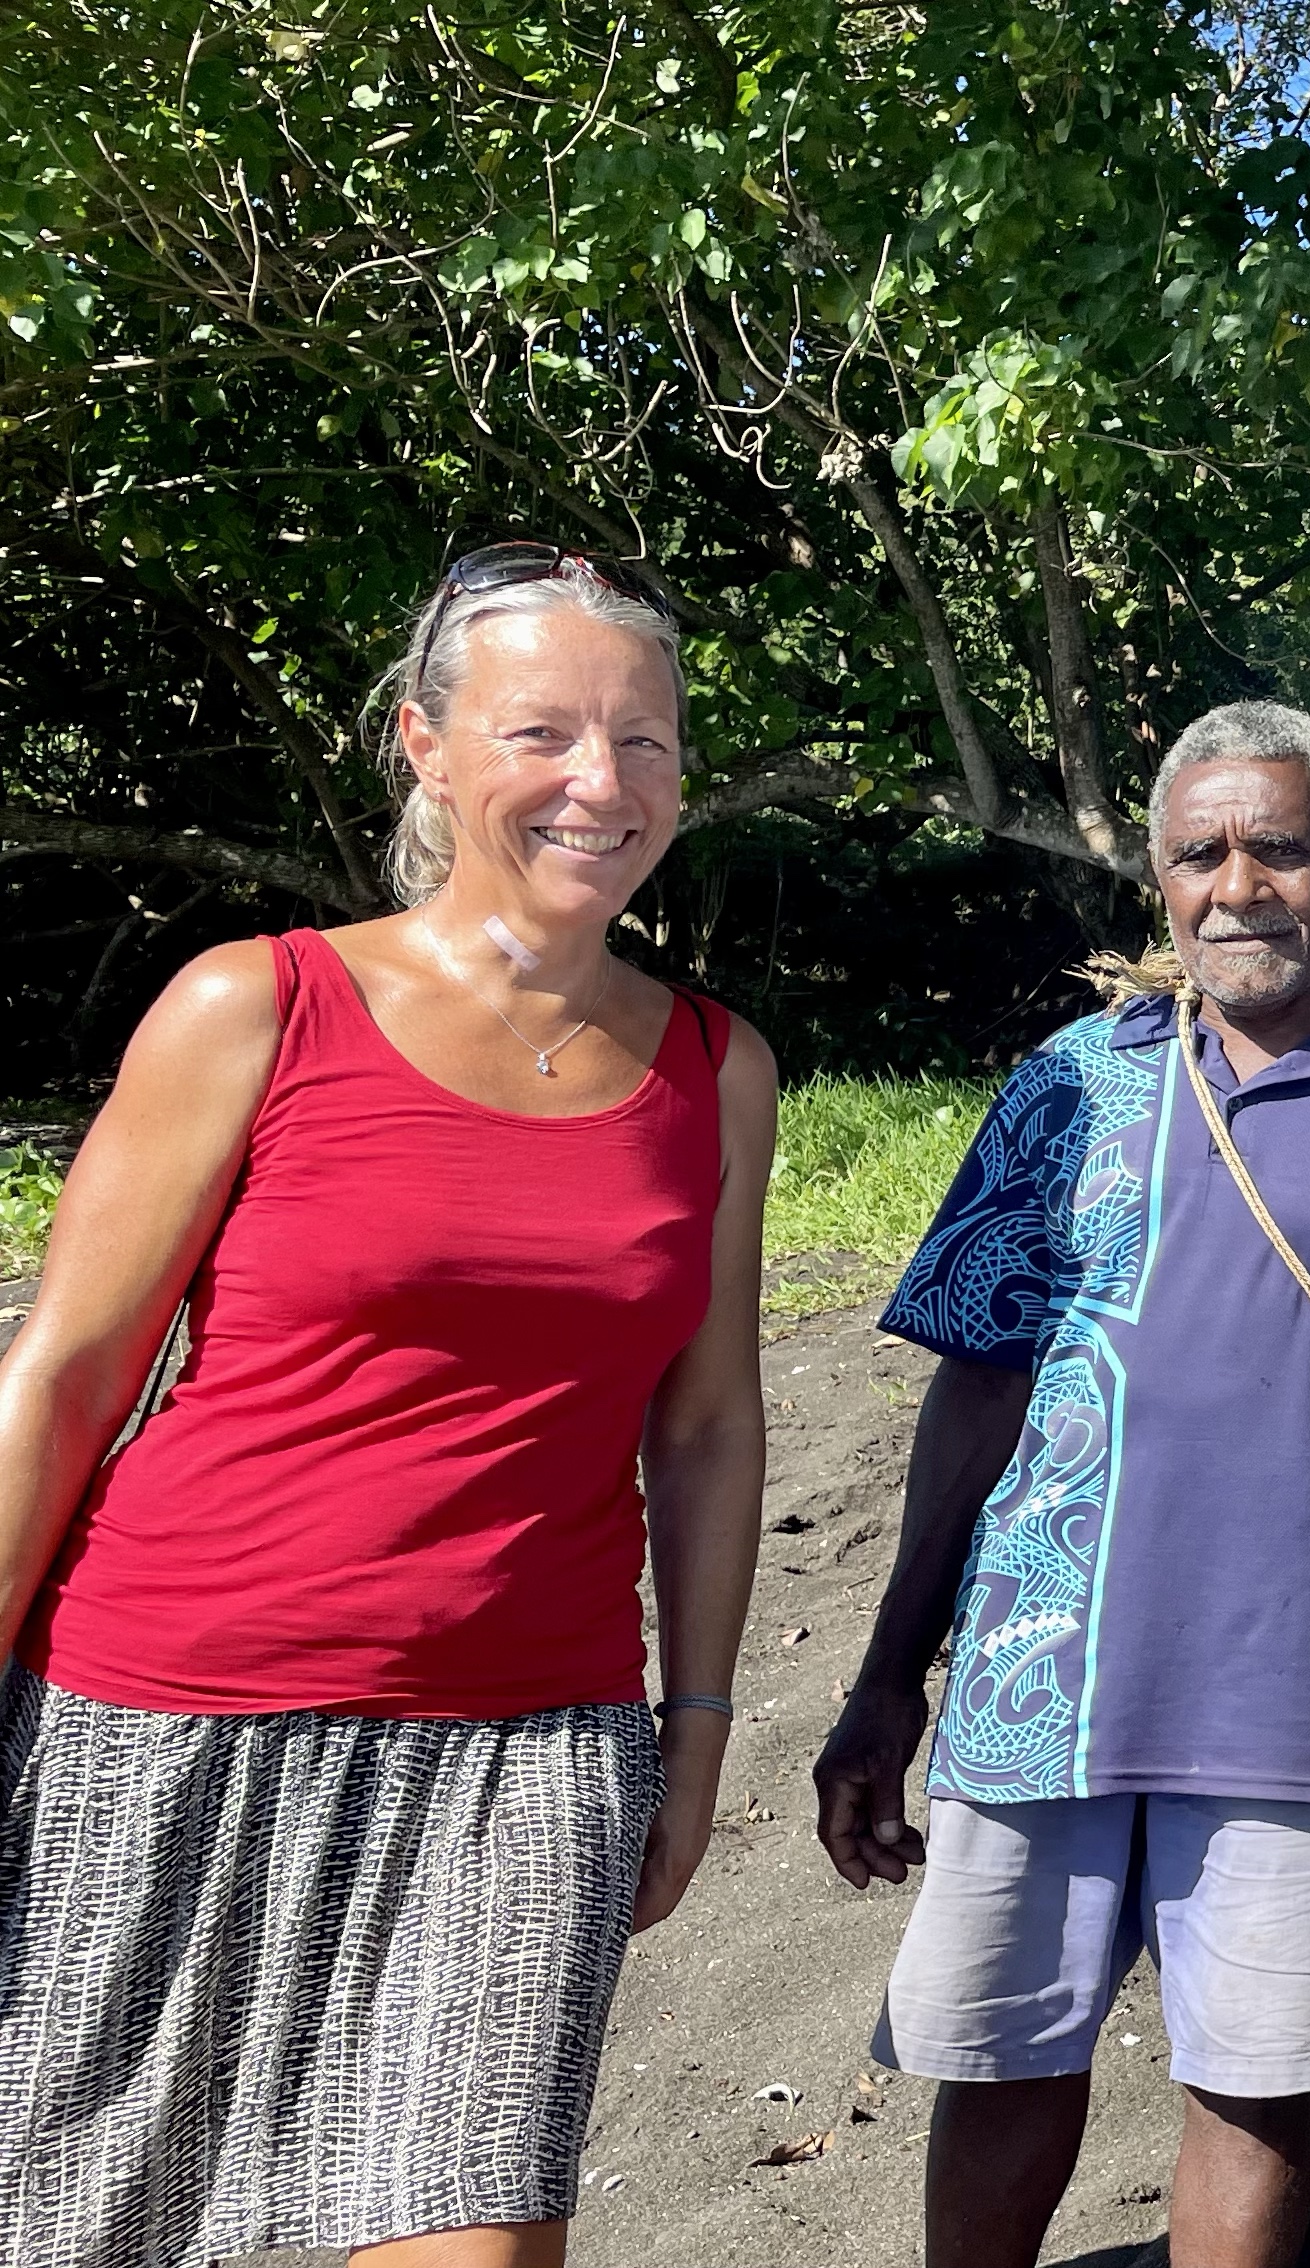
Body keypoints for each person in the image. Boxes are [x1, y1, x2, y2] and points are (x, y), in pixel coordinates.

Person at [0, 546, 776, 2267]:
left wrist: (697, 1730)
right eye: (542, 732)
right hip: (166, 1714)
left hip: (530, 1751)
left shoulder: (717, 1070)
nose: (601, 783)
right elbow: (62, 1374)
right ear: (424, 744)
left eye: (644, 740)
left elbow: (709, 1424)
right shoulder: (255, 1004)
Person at [809, 700, 1310, 2268]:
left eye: (1278, 849)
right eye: (1199, 855)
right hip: (1041, 1669)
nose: (1237, 887)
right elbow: (978, 1391)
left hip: (1304, 1683)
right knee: (999, 2053)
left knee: (1258, 2080)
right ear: (1160, 880)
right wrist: (888, 1675)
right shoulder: (1068, 1085)